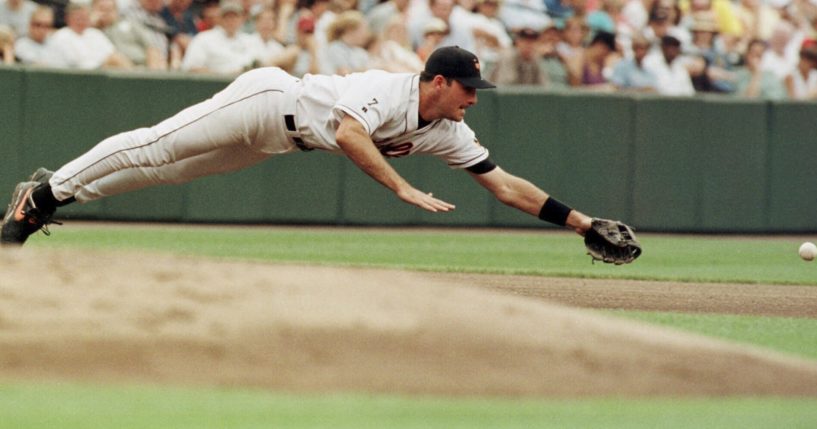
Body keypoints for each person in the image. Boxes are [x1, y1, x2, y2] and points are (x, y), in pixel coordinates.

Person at [1, 46, 596, 248]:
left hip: (278, 142)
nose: (474, 98)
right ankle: (44, 195)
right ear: (437, 82)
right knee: (157, 147)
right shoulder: (385, 90)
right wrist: (400, 185)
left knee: (169, 176)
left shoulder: (447, 129)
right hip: (265, 100)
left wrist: (581, 223)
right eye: (468, 89)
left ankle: (52, 199)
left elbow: (503, 183)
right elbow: (349, 132)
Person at [42, 1, 132, 70]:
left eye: (84, 18)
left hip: (102, 74)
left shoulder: (95, 34)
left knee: (117, 59)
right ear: (67, 18)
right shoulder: (61, 36)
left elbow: (112, 54)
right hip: (76, 77)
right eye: (78, 18)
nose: (81, 21)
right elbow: (76, 64)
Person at [181, 1, 264, 74]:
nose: (231, 21)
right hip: (215, 87)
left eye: (235, 16)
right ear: (219, 18)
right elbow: (191, 68)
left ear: (242, 19)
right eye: (227, 17)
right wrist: (222, 75)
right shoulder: (203, 38)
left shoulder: (250, 40)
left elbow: (262, 64)